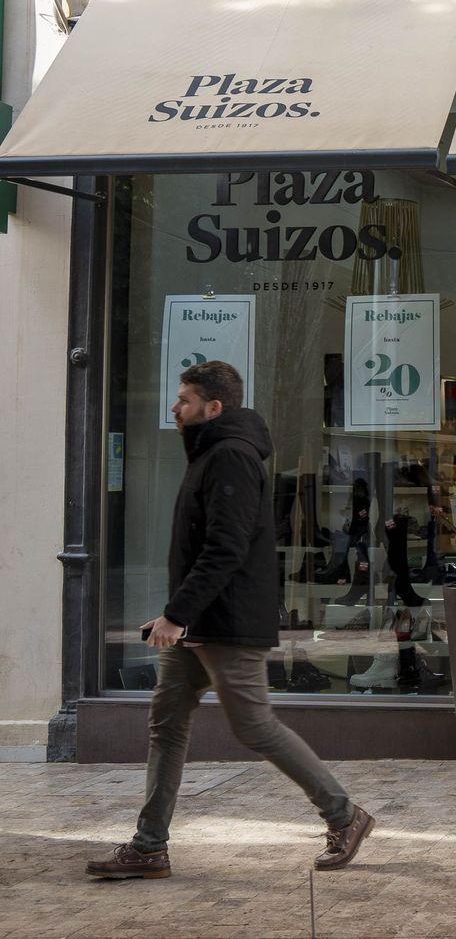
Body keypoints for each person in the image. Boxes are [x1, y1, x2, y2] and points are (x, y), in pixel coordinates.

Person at [88, 361, 375, 880]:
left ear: (213, 407)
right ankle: (150, 846)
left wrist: (179, 613)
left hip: (227, 624)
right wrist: (175, 614)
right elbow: (204, 548)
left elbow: (226, 548)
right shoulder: (209, 456)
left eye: (184, 400)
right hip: (199, 623)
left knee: (254, 726)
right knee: (167, 724)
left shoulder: (231, 458)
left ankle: (343, 814)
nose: (175, 408)